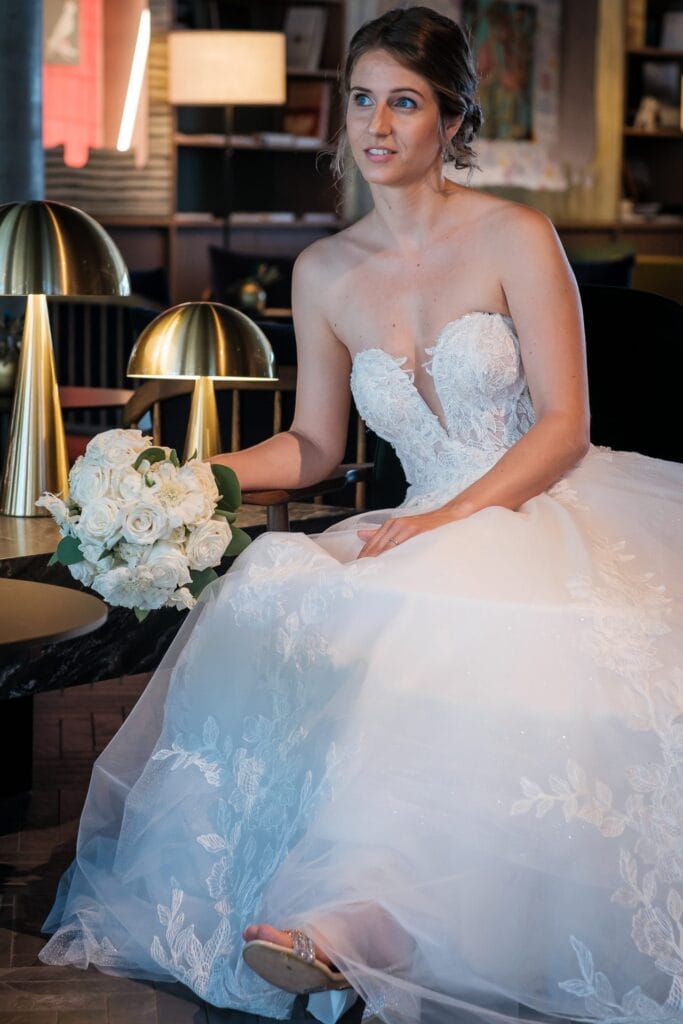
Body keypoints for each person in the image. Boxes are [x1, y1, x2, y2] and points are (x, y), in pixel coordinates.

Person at [40, 8, 683, 1024]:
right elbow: (314, 447)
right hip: (416, 518)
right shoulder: (324, 270)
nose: (375, 124)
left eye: (403, 101)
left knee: (435, 616)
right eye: (360, 100)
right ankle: (319, 908)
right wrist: (194, 478)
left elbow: (561, 427)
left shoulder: (514, 236)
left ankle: (359, 921)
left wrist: (446, 523)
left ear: (451, 118)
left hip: (533, 501)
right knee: (278, 588)